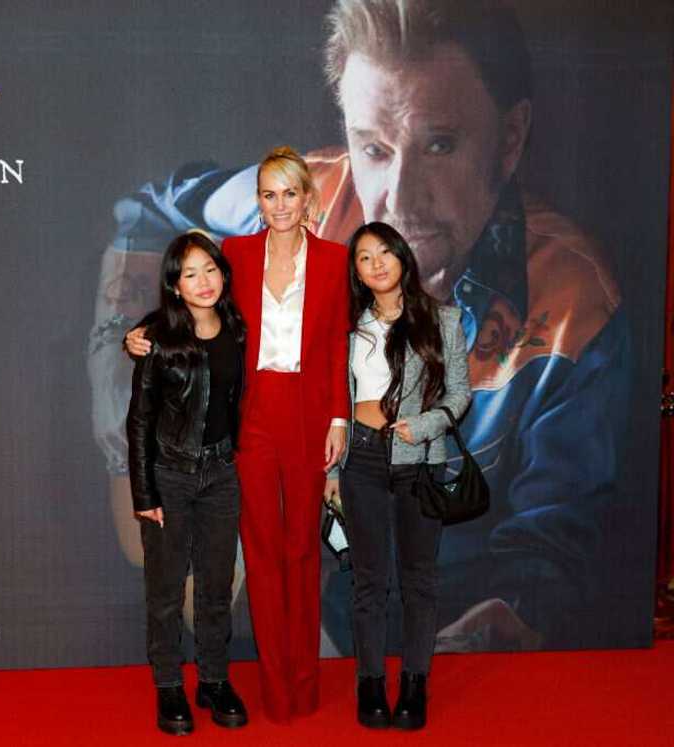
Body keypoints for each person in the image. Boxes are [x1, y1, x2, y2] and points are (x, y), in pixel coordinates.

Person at [92, 0, 628, 653]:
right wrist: (132, 444)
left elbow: (553, 545)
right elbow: (149, 208)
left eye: (440, 144)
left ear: (510, 139)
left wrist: (512, 618)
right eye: (373, 147)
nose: (399, 201)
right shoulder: (308, 203)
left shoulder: (577, 305)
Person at [128, 147, 350, 722]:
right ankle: (277, 688)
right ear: (258, 202)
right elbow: (196, 305)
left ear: (308, 199)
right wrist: (142, 331)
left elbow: (335, 349)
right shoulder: (237, 253)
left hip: (308, 412)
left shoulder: (333, 260)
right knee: (261, 552)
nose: (279, 205)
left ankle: (305, 683)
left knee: (303, 549)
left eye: (289, 194)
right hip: (249, 415)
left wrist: (338, 420)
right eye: (268, 195)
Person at [324, 222, 470, 730]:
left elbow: (459, 395)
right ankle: (370, 684)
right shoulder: (348, 327)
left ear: (403, 256)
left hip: (420, 462)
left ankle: (414, 683)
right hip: (360, 460)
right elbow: (334, 401)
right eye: (364, 258)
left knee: (418, 581)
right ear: (357, 273)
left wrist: (425, 425)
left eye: (385, 252)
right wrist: (332, 468)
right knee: (368, 581)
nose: (377, 263)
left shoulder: (443, 320)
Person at [126, 231, 249, 735]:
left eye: (210, 270)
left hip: (222, 473)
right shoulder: (158, 336)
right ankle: (169, 685)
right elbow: (138, 421)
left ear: (224, 274)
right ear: (174, 285)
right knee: (167, 590)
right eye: (189, 274)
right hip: (169, 476)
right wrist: (144, 494)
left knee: (217, 586)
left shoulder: (239, 327)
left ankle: (214, 679)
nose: (203, 282)